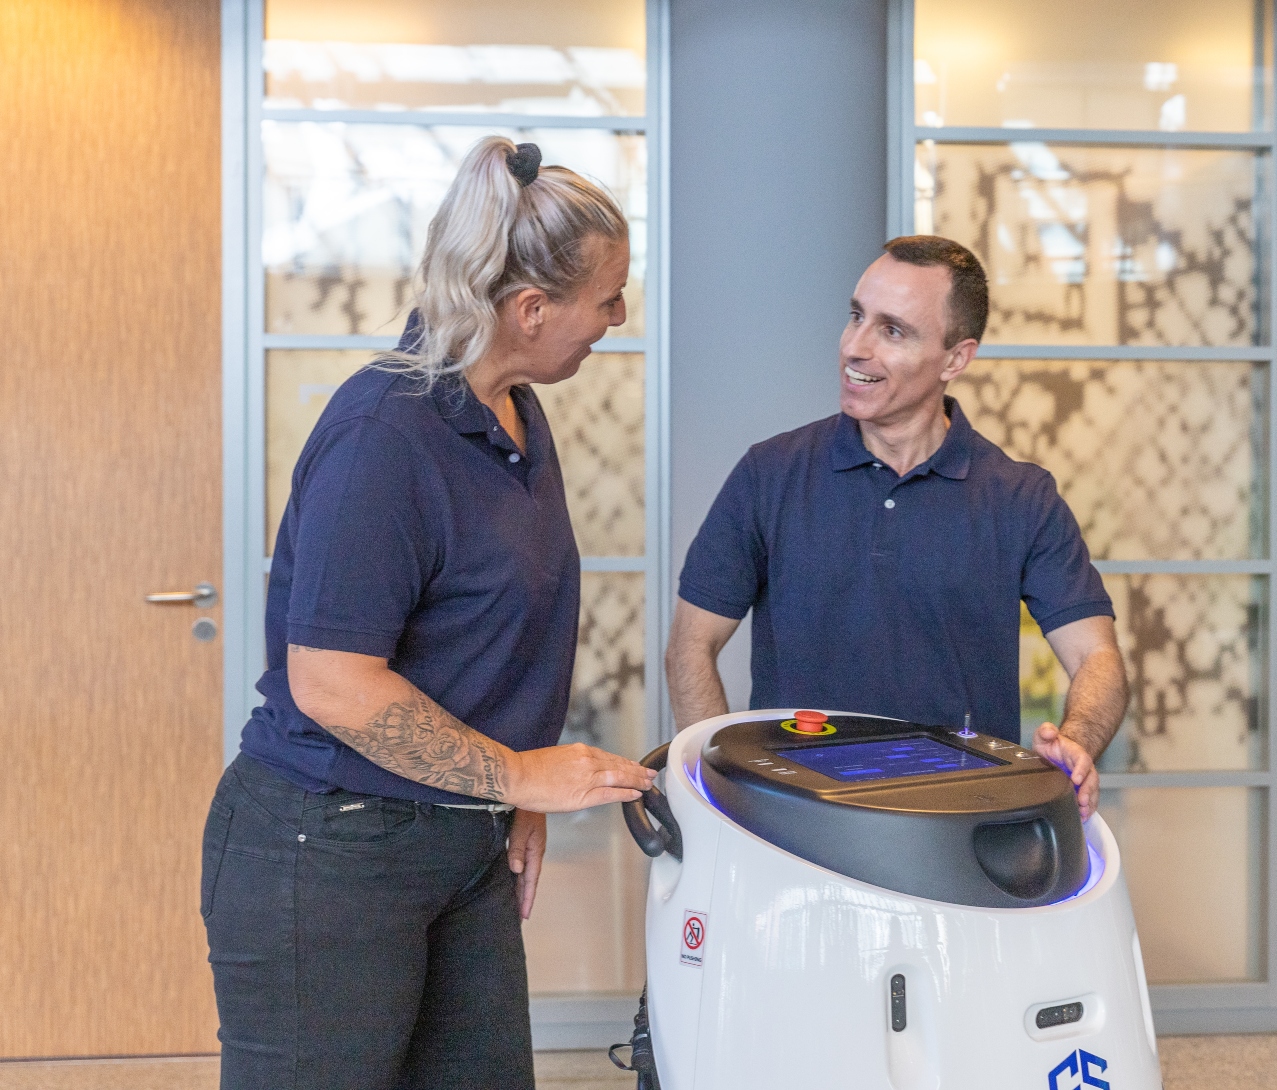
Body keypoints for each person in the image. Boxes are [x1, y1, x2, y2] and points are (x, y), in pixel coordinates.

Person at [201, 138, 656, 1090]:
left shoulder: (516, 417)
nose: (619, 316)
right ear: (530, 310)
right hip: (327, 842)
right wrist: (518, 774)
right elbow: (331, 682)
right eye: (607, 298)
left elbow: (496, 637)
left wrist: (510, 796)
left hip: (460, 837)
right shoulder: (385, 435)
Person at [665, 236, 1127, 819]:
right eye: (856, 317)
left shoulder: (1019, 496)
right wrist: (718, 789)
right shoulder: (769, 473)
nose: (856, 348)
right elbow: (690, 645)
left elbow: (1097, 658)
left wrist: (1078, 740)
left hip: (960, 832)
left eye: (893, 330)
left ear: (955, 359)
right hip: (796, 825)